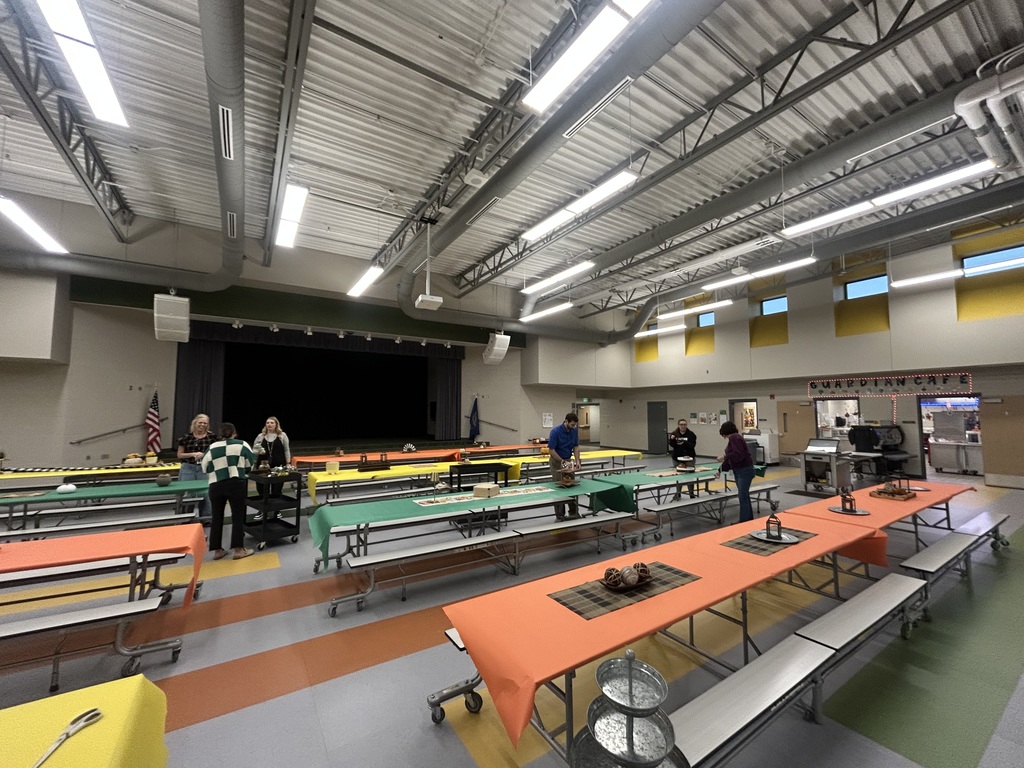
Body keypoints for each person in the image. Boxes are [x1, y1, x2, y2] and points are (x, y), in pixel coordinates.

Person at [200, 422, 255, 560]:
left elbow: (204, 467)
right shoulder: (242, 444)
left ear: (220, 434)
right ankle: (238, 550)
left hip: (216, 485)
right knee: (237, 516)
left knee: (216, 517)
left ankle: (217, 550)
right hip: (236, 483)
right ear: (234, 433)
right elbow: (250, 464)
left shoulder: (212, 447)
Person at [177, 413, 215, 522]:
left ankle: (206, 519)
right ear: (195, 423)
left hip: (204, 468)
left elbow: (214, 452)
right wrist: (192, 454)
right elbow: (180, 455)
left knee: (205, 494)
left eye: (205, 423)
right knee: (189, 494)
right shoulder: (185, 437)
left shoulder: (212, 437)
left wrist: (205, 455)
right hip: (188, 468)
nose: (202, 425)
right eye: (200, 422)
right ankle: (186, 518)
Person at [716, 420, 756, 523]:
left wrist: (724, 456)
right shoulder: (736, 437)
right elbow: (731, 459)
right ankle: (748, 519)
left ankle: (744, 521)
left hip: (744, 470)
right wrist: (720, 470)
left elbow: (738, 454)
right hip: (741, 470)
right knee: (744, 496)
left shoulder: (734, 437)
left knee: (743, 496)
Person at [548, 412, 582, 520]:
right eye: (572, 425)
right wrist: (562, 461)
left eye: (575, 425)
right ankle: (560, 515)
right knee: (559, 487)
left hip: (568, 459)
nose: (573, 427)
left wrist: (577, 461)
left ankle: (573, 512)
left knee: (571, 486)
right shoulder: (555, 432)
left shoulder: (574, 430)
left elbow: (576, 447)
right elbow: (551, 450)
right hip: (557, 460)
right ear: (566, 421)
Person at [667, 418, 698, 500]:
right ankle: (678, 493)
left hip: (689, 458)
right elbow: (672, 445)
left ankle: (691, 493)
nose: (683, 426)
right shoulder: (674, 434)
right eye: (681, 424)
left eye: (684, 424)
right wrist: (672, 439)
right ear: (678, 425)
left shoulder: (691, 434)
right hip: (677, 458)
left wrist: (684, 442)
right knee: (678, 476)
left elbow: (692, 445)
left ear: (686, 425)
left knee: (690, 475)